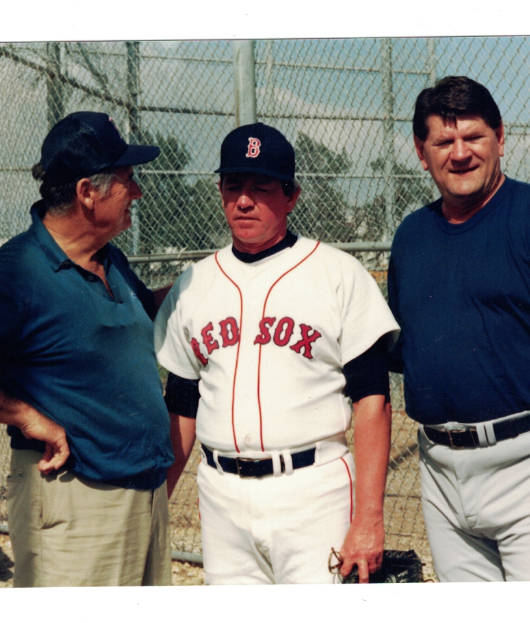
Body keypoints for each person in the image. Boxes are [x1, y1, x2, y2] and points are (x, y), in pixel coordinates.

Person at [0, 112, 175, 587]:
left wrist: (207, 282)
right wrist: (26, 415)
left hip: (143, 492)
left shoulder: (108, 257)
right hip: (76, 499)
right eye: (128, 181)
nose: (138, 193)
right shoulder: (18, 272)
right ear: (88, 192)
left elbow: (141, 313)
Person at [386, 76, 530, 581]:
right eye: (443, 142)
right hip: (441, 470)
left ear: (500, 135)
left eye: (473, 137)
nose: (459, 153)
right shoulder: (411, 236)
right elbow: (408, 347)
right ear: (419, 151)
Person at [154, 123, 399, 584]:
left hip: (314, 488)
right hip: (221, 492)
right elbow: (182, 406)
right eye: (233, 186)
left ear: (291, 196)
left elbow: (373, 400)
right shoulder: (193, 284)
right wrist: (154, 506)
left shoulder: (337, 273)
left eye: (261, 187)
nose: (244, 200)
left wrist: (369, 519)